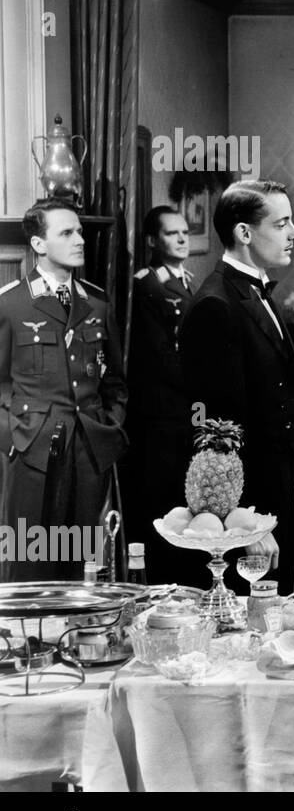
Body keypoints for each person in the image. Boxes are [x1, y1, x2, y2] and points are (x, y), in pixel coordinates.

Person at [180, 180, 294, 594]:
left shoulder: (253, 287)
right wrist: (244, 524)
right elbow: (214, 432)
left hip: (274, 487)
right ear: (244, 233)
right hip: (249, 507)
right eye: (282, 223)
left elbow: (261, 398)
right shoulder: (215, 305)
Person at [0, 199, 128, 582]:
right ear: (39, 244)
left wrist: (110, 425)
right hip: (33, 448)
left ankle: (81, 639)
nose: (80, 240)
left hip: (89, 448)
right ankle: (30, 642)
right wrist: (15, 435)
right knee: (30, 560)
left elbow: (116, 382)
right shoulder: (11, 303)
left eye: (80, 231)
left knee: (86, 565)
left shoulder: (96, 302)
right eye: (67, 233)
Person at [123, 206, 198, 584]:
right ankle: (161, 581)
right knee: (162, 501)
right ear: (154, 240)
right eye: (172, 233)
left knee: (185, 504)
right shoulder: (147, 285)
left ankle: (184, 580)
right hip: (160, 415)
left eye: (185, 232)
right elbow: (159, 355)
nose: (183, 239)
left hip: (185, 414)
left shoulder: (189, 282)